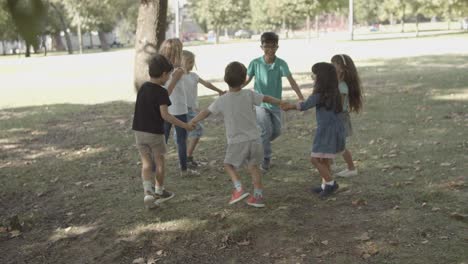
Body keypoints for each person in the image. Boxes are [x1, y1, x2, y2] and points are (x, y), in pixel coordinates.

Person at [190, 62, 283, 208]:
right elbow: (267, 99)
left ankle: (239, 189)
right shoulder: (249, 94)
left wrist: (193, 121)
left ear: (226, 79)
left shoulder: (223, 99)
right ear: (244, 79)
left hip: (237, 141)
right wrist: (283, 103)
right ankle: (258, 197)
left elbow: (206, 112)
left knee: (228, 164)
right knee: (254, 167)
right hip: (256, 139)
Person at [132, 54, 194, 209]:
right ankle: (159, 191)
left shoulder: (143, 88)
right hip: (155, 134)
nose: (168, 79)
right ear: (165, 74)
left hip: (139, 132)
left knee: (146, 163)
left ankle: (147, 192)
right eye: (169, 75)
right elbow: (165, 115)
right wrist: (185, 125)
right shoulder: (161, 92)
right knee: (160, 162)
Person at [282, 62, 345, 198]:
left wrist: (289, 106)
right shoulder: (334, 92)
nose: (313, 78)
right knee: (324, 159)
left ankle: (331, 184)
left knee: (315, 159)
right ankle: (326, 185)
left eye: (314, 75)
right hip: (335, 130)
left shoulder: (320, 95)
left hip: (326, 132)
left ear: (321, 78)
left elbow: (304, 105)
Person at [244, 32, 305, 171]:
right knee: (266, 131)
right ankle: (265, 160)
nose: (270, 49)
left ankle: (258, 144)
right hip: (260, 104)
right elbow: (246, 81)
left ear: (277, 47)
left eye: (273, 46)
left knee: (276, 132)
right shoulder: (255, 63)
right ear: (261, 46)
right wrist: (234, 89)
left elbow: (292, 81)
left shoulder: (281, 64)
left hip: (276, 104)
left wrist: (300, 96)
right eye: (267, 46)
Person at [159, 38, 198, 176]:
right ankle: (183, 170)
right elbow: (166, 92)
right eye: (180, 49)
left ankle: (157, 167)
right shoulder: (178, 70)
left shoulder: (161, 69)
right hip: (177, 110)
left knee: (164, 139)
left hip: (166, 110)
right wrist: (175, 79)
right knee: (181, 140)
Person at [180, 50, 225, 168]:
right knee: (196, 130)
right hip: (183, 109)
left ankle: (185, 157)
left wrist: (219, 91)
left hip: (192, 109)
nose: (191, 65)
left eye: (192, 62)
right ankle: (187, 157)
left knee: (186, 133)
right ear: (181, 62)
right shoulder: (177, 76)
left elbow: (207, 84)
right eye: (188, 62)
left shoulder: (194, 76)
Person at [331, 54, 363, 177]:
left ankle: (351, 168)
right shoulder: (336, 83)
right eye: (332, 63)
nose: (332, 66)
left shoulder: (342, 86)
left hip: (339, 117)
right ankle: (330, 164)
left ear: (342, 68)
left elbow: (338, 105)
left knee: (340, 146)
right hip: (335, 117)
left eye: (335, 64)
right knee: (331, 142)